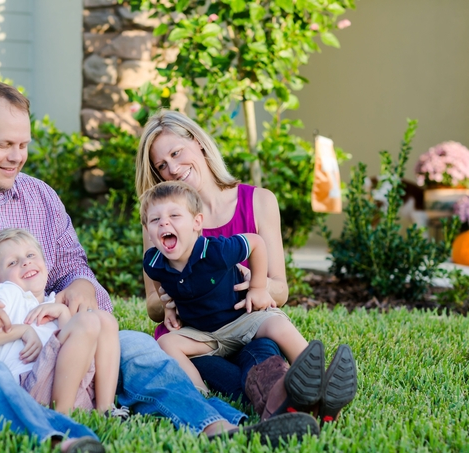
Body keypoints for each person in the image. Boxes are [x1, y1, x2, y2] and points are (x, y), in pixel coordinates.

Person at [0, 81, 320, 453]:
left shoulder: (38, 196)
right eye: (4, 144)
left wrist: (80, 287)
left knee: (137, 346)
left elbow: (75, 269)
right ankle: (59, 436)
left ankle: (218, 426)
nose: (17, 156)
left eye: (23, 144)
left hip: (43, 334)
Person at [135, 109, 357, 423]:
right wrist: (167, 301)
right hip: (195, 337)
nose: (173, 168)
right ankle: (300, 405)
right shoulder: (160, 222)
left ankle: (305, 397)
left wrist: (258, 283)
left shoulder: (259, 201)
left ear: (198, 142)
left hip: (247, 326)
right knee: (227, 371)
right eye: (162, 165)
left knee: (263, 351)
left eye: (176, 153)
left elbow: (279, 290)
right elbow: (153, 304)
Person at [141, 180, 319, 402]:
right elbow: (159, 279)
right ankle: (198, 394)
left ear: (197, 222)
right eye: (155, 220)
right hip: (204, 334)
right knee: (167, 343)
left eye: (174, 216)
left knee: (277, 324)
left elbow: (256, 242)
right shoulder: (154, 260)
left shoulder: (216, 250)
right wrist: (168, 307)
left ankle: (313, 378)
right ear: (148, 231)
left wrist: (257, 287)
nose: (164, 224)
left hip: (242, 320)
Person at [0, 228, 120, 415]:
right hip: (32, 384)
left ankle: (106, 409)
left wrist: (62, 312)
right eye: (12, 262)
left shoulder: (52, 301)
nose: (26, 262)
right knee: (88, 321)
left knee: (105, 320)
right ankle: (61, 416)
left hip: (73, 386)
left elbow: (77, 344)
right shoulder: (7, 293)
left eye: (30, 255)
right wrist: (22, 331)